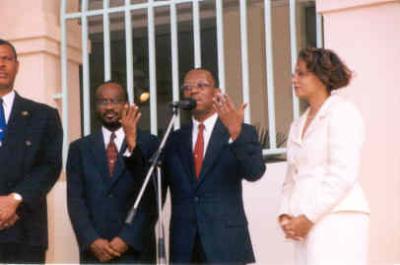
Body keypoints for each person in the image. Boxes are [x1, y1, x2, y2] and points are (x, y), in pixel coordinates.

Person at [163, 68, 266, 264]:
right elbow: (157, 186)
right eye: (187, 88)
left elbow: (255, 172)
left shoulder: (240, 131)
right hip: (185, 245)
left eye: (201, 86)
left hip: (225, 241)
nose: (193, 91)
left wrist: (236, 133)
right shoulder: (174, 139)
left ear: (216, 93)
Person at [278, 47, 370, 265]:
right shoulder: (297, 125)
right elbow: (291, 177)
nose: (294, 79)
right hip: (305, 225)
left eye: (301, 73)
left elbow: (343, 174)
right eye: (294, 73)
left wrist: (309, 217)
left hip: (339, 218)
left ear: (322, 76)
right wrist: (285, 215)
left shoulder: (342, 113)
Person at [66, 81, 159, 263]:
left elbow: (152, 198)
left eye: (115, 101)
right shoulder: (79, 148)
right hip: (94, 252)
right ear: (95, 107)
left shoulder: (149, 144)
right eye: (102, 102)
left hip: (135, 250)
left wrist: (127, 239)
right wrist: (91, 240)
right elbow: (75, 200)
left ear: (126, 105)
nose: (109, 107)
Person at [0, 39, 63, 263]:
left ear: (17, 65)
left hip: (25, 231)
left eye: (6, 59)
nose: (1, 65)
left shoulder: (43, 115)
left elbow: (50, 166)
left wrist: (15, 199)